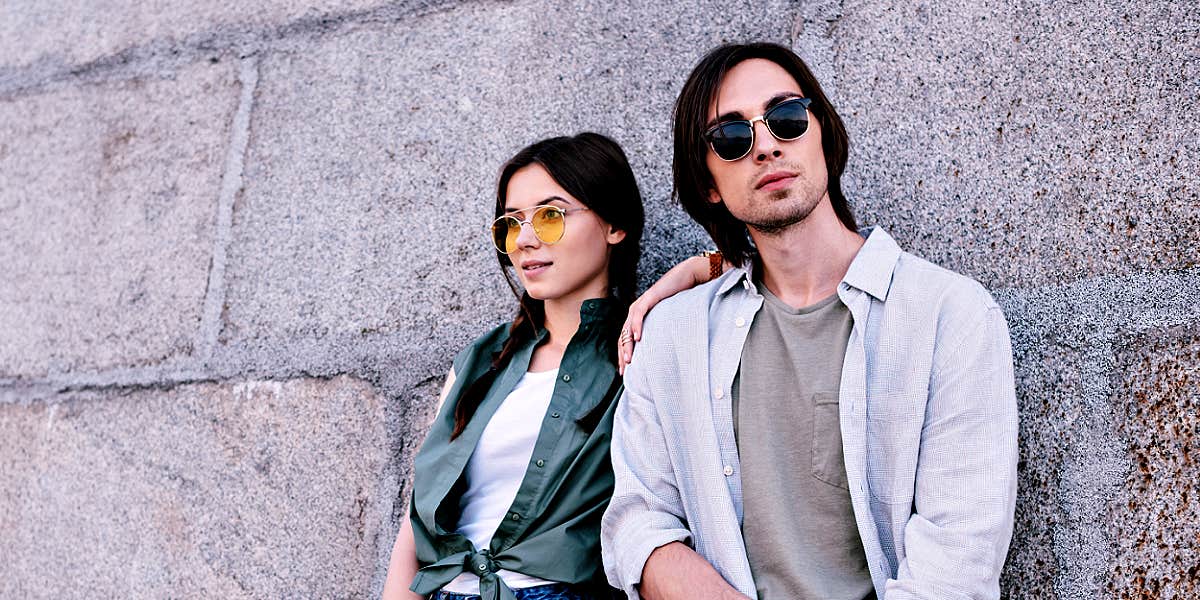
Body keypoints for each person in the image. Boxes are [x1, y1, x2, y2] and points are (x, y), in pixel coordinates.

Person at [601, 42, 1019, 600]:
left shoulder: (950, 316)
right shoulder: (674, 335)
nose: (766, 146)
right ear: (707, 184)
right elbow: (635, 524)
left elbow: (958, 563)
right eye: (730, 137)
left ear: (822, 133)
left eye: (786, 118)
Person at [382, 132, 644, 600]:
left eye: (549, 216)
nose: (523, 240)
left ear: (614, 224)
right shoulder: (481, 360)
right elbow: (419, 515)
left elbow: (748, 265)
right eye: (511, 223)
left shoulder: (641, 347)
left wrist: (681, 279)